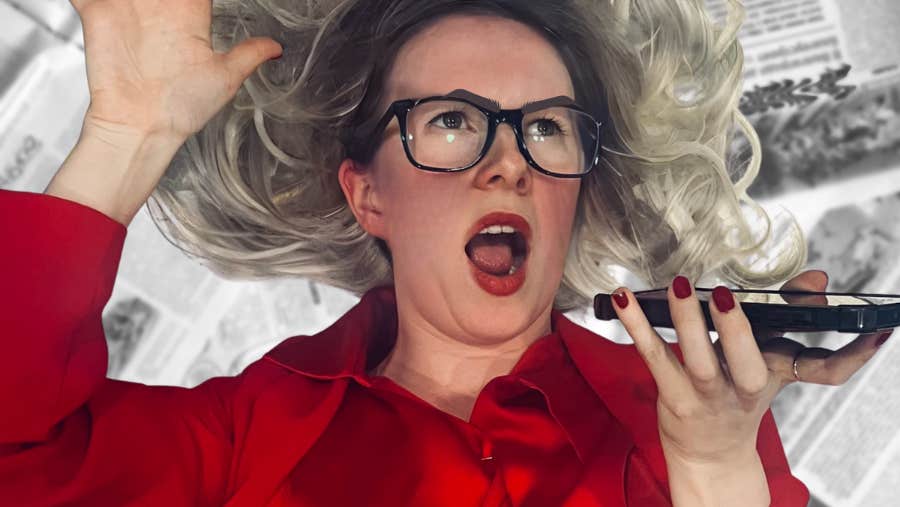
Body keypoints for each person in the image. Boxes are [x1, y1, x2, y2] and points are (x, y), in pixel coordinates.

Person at [1, 0, 892, 505]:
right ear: (367, 193)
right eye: (454, 121)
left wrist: (714, 467)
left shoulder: (694, 419)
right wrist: (129, 133)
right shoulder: (245, 439)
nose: (509, 162)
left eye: (545, 126)